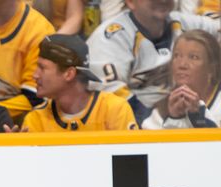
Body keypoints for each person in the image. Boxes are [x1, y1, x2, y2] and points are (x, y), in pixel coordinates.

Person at [87, 0, 219, 124]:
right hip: (136, 130)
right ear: (131, 2)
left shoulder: (184, 22)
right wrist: (160, 118)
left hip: (187, 116)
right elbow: (114, 103)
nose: (163, 0)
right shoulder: (108, 39)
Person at [21, 34, 138, 131]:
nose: (35, 75)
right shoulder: (36, 119)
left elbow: (132, 157)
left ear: (69, 74)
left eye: (42, 68)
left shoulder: (114, 109)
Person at [142, 29, 221, 128]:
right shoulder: (161, 108)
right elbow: (152, 141)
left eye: (193, 57)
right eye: (177, 56)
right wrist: (174, 119)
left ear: (212, 68)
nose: (182, 65)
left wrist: (197, 117)